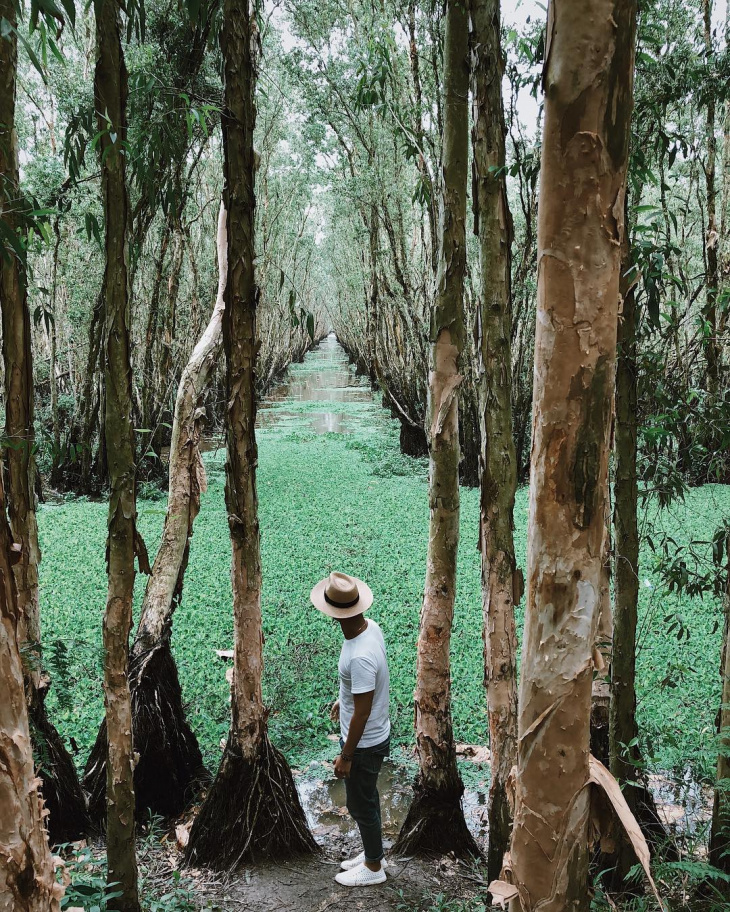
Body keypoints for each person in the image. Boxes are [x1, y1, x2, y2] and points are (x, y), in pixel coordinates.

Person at [310, 571, 391, 888]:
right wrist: (343, 700)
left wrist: (346, 755)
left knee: (359, 804)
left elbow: (364, 708)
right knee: (367, 797)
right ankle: (375, 854)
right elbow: (363, 692)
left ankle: (373, 867)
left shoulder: (358, 656)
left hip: (364, 743)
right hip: (373, 734)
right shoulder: (371, 628)